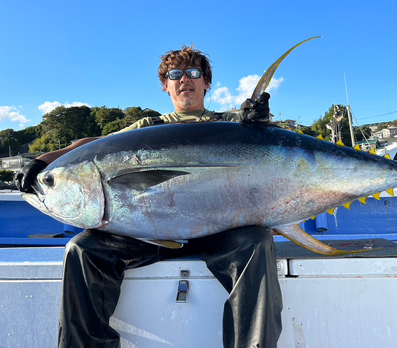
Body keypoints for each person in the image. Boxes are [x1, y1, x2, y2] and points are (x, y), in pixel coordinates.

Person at [15, 46, 282, 348]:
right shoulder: (147, 128)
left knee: (257, 242)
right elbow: (95, 143)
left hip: (218, 231)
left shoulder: (230, 123)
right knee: (82, 249)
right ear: (166, 85)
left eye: (194, 73)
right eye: (175, 74)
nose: (185, 79)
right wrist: (43, 160)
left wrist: (258, 121)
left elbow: (270, 150)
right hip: (145, 233)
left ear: (206, 82)